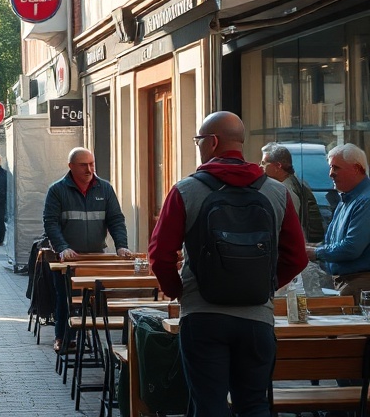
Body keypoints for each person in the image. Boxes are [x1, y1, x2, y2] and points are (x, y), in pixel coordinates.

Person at [149, 111, 307, 417]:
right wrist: (266, 285)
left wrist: (178, 291)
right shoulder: (276, 192)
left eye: (198, 140)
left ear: (212, 143)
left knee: (209, 406)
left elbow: (159, 253)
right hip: (257, 318)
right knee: (253, 405)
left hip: (203, 316)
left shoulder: (186, 190)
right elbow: (297, 257)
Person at [43, 147, 131, 352]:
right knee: (66, 298)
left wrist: (121, 246)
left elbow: (116, 219)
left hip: (95, 257)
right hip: (67, 259)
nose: (89, 169)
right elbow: (50, 223)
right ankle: (64, 337)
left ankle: (87, 332)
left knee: (92, 299)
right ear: (71, 166)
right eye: (83, 165)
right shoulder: (57, 190)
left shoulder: (105, 189)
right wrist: (62, 248)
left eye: (92, 164)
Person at [305, 142, 370, 300]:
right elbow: (334, 241)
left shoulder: (365, 200)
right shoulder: (347, 198)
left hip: (359, 283)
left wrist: (315, 253)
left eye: (336, 168)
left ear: (356, 168)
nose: (330, 174)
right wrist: (314, 247)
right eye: (330, 167)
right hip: (346, 282)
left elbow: (352, 247)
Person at [261, 142, 325, 242]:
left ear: (278, 166)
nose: (260, 166)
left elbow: (289, 227)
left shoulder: (286, 190)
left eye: (264, 163)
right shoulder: (294, 182)